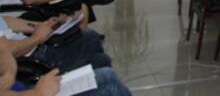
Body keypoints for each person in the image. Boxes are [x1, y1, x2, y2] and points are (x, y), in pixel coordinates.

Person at [0, 45, 131, 96]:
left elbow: (4, 52)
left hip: (24, 87)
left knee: (103, 66)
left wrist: (9, 75)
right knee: (109, 84)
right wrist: (38, 93)